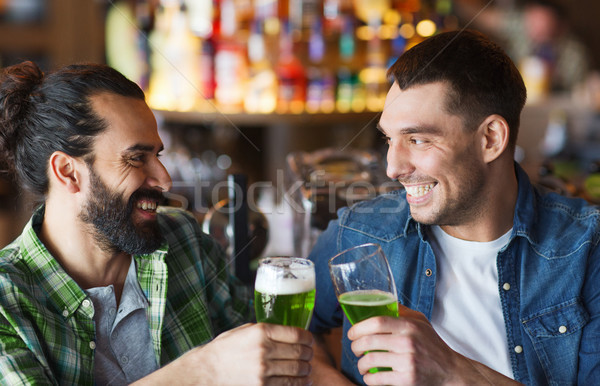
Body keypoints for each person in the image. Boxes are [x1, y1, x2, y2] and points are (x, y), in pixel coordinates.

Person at [308, 29, 600, 385]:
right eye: (389, 139)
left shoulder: (586, 251)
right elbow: (290, 339)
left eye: (417, 139)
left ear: (490, 139)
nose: (393, 168)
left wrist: (449, 370)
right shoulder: (359, 233)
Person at [0, 61, 313, 385]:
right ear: (68, 172)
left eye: (158, 156)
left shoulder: (182, 239)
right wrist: (206, 369)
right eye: (136, 158)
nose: (164, 180)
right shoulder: (7, 301)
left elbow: (272, 353)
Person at [454, 0, 590, 94]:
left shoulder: (574, 52)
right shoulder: (520, 25)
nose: (538, 34)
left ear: (562, 27)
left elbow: (582, 91)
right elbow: (484, 18)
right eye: (533, 27)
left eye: (546, 30)